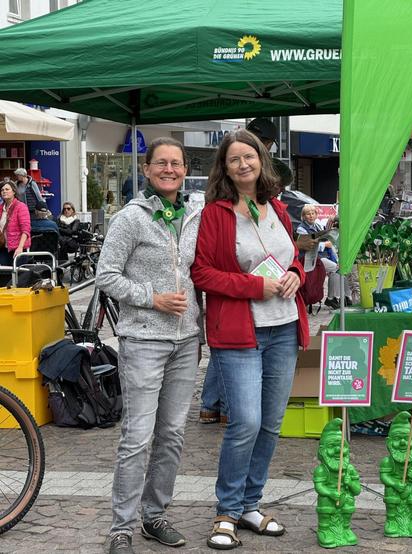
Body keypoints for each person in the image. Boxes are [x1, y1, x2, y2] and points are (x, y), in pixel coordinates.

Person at [191, 129, 309, 549]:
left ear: (261, 159)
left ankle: (250, 505)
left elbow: (291, 256)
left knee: (271, 425)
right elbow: (202, 273)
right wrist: (253, 288)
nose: (243, 164)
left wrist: (296, 272)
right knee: (246, 422)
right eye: (234, 159)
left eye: (249, 156)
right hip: (239, 332)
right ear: (224, 168)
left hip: (282, 329)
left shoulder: (276, 205)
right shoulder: (216, 213)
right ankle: (226, 511)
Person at [96, 137, 203, 554]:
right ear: (146, 169)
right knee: (137, 437)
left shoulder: (194, 213)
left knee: (172, 434)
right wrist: (151, 297)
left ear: (183, 168)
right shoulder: (131, 218)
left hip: (186, 339)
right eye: (161, 163)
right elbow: (106, 275)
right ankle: (120, 527)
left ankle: (154, 515)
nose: (170, 169)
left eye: (176, 163)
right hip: (143, 339)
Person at [313, 418, 361, 547]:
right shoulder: (321, 470)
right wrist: (329, 493)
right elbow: (319, 486)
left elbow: (357, 490)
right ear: (322, 450)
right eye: (331, 446)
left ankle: (345, 529)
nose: (338, 451)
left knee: (349, 503)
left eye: (341, 446)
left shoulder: (349, 469)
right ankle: (324, 530)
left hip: (344, 496)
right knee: (325, 504)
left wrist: (350, 483)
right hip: (330, 496)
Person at [297, 204, 352, 309]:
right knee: (336, 268)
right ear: (303, 216)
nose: (311, 216)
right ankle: (331, 298)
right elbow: (308, 244)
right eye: (308, 214)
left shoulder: (317, 226)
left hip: (320, 256)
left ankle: (344, 297)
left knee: (340, 267)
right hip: (309, 258)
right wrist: (325, 244)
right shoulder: (301, 229)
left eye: (313, 213)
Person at [380, 411, 412, 537]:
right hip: (395, 487)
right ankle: (391, 521)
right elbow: (384, 477)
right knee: (391, 495)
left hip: (410, 487)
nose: (402, 443)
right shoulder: (387, 461)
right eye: (397, 439)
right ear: (388, 442)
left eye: (407, 439)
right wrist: (394, 484)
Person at [14, 168, 58, 233]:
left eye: (17, 175)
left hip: (32, 208)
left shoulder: (32, 183)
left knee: (32, 223)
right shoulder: (16, 184)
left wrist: (44, 207)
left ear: (22, 175)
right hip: (21, 208)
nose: (16, 177)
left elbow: (38, 196)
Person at [0, 180, 31, 265]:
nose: (4, 191)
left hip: (18, 248)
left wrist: (20, 247)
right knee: (4, 275)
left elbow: (25, 230)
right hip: (3, 247)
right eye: (2, 190)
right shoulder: (1, 208)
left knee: (17, 275)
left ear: (14, 191)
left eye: (7, 189)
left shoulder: (21, 207)